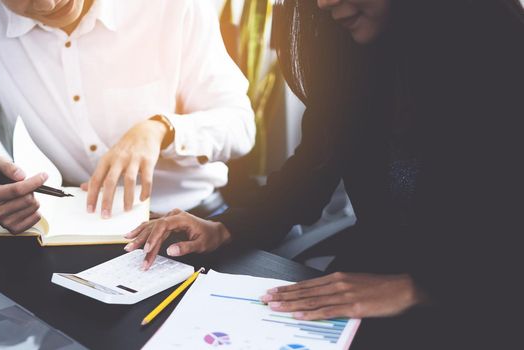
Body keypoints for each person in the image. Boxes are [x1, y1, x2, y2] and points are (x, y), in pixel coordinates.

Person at [127, 0, 524, 347]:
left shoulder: (504, 54)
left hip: (479, 295)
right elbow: (310, 170)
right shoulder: (358, 57)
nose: (324, 2)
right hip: (366, 279)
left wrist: (419, 287)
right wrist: (225, 227)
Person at [0, 0, 255, 233]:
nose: (49, 3)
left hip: (191, 221)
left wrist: (162, 129)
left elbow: (239, 124)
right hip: (63, 230)